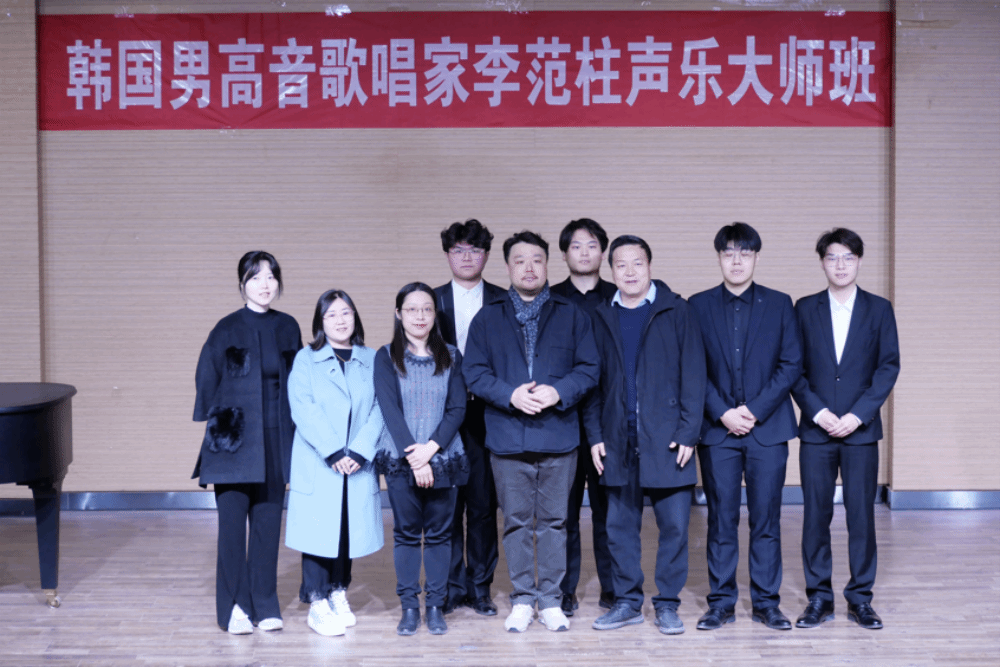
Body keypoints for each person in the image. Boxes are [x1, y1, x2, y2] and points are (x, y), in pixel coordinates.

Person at [463, 231, 600, 633]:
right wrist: (510, 395)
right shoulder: (487, 318)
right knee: (517, 522)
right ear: (507, 267)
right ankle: (523, 598)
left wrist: (559, 392)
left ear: (547, 265)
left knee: (556, 522)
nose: (528, 268)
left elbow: (589, 368)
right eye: (520, 260)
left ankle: (552, 600)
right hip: (507, 438)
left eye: (536, 260)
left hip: (559, 436)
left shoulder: (572, 314)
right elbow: (474, 372)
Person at [586, 235, 706, 635]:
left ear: (650, 266)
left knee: (675, 528)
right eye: (621, 265)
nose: (630, 272)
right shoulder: (601, 316)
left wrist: (689, 433)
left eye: (637, 263)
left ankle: (667, 604)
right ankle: (627, 602)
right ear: (611, 270)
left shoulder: (677, 310)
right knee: (619, 529)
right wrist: (595, 434)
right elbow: (591, 382)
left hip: (669, 439)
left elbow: (694, 375)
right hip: (617, 438)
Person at [688, 223, 801, 632]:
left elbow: (791, 364)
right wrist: (723, 412)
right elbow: (692, 368)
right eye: (729, 253)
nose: (737, 261)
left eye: (745, 253)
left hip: (767, 430)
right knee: (720, 519)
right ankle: (720, 603)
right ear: (719, 257)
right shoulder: (697, 306)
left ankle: (767, 603)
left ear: (756, 257)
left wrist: (752, 410)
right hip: (718, 432)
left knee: (766, 519)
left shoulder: (780, 303)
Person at [791, 228, 900, 631]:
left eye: (848, 257)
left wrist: (858, 415)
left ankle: (860, 599)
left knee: (861, 517)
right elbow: (793, 368)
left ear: (859, 261)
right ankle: (819, 598)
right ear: (822, 262)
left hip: (861, 432)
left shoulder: (879, 309)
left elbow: (888, 366)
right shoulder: (804, 308)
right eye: (832, 257)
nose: (840, 265)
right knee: (815, 517)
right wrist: (818, 413)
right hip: (816, 432)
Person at [192, 251, 302, 634]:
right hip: (234, 443)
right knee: (232, 528)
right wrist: (221, 423)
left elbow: (298, 383)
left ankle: (264, 603)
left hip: (276, 439)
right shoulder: (226, 328)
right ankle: (234, 607)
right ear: (242, 284)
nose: (264, 284)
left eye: (271, 276)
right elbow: (207, 379)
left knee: (268, 527)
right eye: (255, 277)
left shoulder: (288, 327)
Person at [285, 289, 385, 637]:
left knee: (347, 529)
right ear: (320, 322)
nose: (340, 320)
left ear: (355, 317)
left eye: (346, 313)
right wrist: (333, 451)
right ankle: (316, 601)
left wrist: (359, 451)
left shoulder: (372, 359)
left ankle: (338, 591)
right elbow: (303, 407)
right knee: (318, 531)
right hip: (320, 460)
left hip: (357, 461)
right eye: (331, 315)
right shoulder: (306, 359)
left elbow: (382, 407)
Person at [375, 282, 469, 636]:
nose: (420, 316)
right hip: (401, 460)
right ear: (398, 314)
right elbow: (389, 409)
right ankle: (410, 608)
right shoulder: (386, 356)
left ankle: (436, 606)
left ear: (435, 315)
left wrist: (431, 449)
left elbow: (457, 408)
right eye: (412, 309)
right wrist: (416, 458)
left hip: (443, 457)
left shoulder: (452, 356)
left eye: (427, 309)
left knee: (441, 536)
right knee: (406, 534)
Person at [433, 219, 504, 616]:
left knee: (481, 505)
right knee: (447, 505)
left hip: (487, 413)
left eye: (474, 250)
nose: (466, 257)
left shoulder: (504, 300)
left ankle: (480, 587)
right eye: (458, 250)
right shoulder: (430, 300)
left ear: (486, 256)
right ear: (447, 255)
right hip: (442, 416)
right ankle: (450, 586)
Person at [550, 218, 617, 617]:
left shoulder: (619, 295)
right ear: (564, 254)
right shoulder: (551, 299)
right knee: (564, 514)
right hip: (563, 421)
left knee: (610, 512)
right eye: (576, 246)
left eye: (592, 245)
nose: (585, 252)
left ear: (603, 252)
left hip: (610, 421)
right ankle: (564, 590)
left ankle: (613, 588)